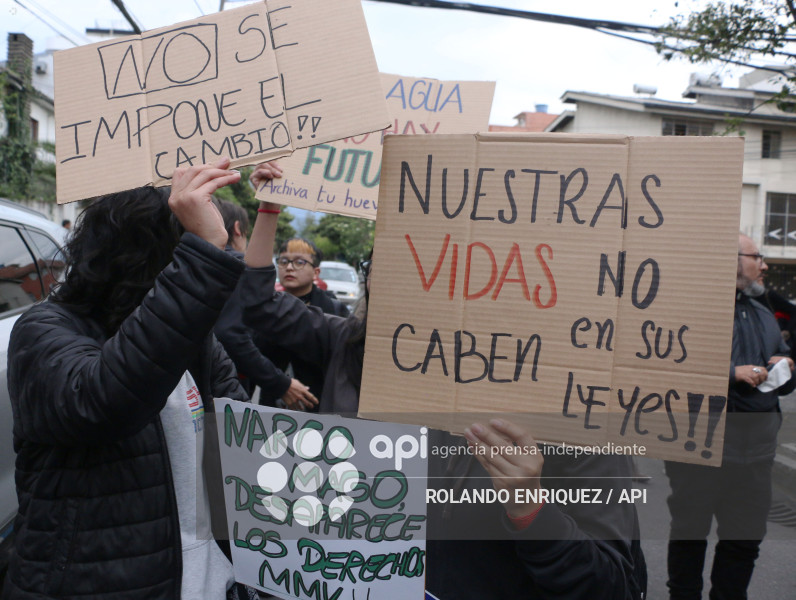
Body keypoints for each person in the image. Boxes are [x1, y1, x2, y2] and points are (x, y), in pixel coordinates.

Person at [240, 163, 647, 599]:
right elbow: (258, 304)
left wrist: (531, 510)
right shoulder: (355, 347)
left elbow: (613, 586)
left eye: (442, 267)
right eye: (386, 264)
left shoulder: (573, 411)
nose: (407, 281)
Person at [2, 158, 256, 600]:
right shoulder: (42, 331)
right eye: (188, 247)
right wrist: (203, 256)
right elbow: (104, 402)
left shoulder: (196, 342)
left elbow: (248, 446)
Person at [664, 233, 796, 600]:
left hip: (756, 455)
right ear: (732, 259)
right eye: (757, 257)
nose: (764, 265)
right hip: (698, 452)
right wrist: (731, 373)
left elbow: (784, 372)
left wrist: (786, 366)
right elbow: (668, 367)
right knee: (690, 534)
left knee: (744, 541)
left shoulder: (764, 311)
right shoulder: (692, 310)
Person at [214, 195, 345, 411]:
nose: (290, 267)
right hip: (270, 409)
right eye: (284, 261)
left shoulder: (334, 310)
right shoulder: (259, 309)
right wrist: (278, 384)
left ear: (316, 272)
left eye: (299, 262)